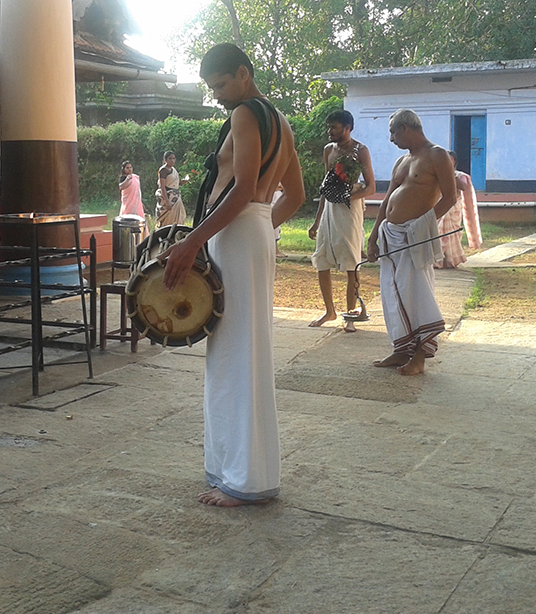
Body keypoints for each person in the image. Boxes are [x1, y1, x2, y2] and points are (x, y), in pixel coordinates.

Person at [160, 43, 305, 507]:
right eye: (212, 88)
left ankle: (244, 480)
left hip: (238, 230)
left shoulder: (246, 113)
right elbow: (295, 196)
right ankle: (237, 471)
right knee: (240, 352)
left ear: (243, 74)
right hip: (252, 232)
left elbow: (241, 188)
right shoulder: (281, 121)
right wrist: (260, 226)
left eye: (221, 85)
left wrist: (192, 240)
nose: (218, 95)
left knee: (237, 355)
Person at [366, 109, 457, 376]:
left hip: (414, 237)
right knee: (392, 294)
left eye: (394, 132)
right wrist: (372, 237)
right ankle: (401, 349)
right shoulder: (401, 161)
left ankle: (419, 356)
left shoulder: (437, 155)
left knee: (417, 293)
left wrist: (423, 225)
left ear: (406, 128)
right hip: (390, 235)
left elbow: (450, 197)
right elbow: (387, 200)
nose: (392, 138)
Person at [308, 109, 375, 332]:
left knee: (351, 263)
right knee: (322, 261)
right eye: (329, 127)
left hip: (350, 209)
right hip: (329, 210)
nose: (330, 132)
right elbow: (326, 187)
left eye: (334, 127)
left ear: (347, 128)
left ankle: (350, 315)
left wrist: (347, 195)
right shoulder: (328, 150)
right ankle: (329, 311)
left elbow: (371, 187)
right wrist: (316, 221)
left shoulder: (360, 151)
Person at [435, 151, 482, 268]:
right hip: (439, 206)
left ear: (454, 162)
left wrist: (451, 174)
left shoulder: (460, 175)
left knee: (450, 234)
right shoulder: (436, 174)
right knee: (437, 232)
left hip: (453, 208)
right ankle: (438, 261)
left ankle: (450, 260)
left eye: (449, 160)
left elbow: (463, 187)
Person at [155, 150, 188, 227]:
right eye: (170, 158)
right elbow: (162, 186)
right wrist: (167, 201)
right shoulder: (163, 170)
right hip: (168, 198)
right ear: (165, 160)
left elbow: (173, 184)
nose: (172, 160)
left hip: (176, 198)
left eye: (174, 158)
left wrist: (181, 182)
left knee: (178, 221)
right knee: (167, 223)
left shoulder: (173, 170)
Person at [117, 160, 149, 238]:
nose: (129, 169)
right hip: (128, 205)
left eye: (130, 167)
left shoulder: (135, 178)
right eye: (127, 168)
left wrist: (141, 204)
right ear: (123, 169)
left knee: (140, 223)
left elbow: (138, 193)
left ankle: (141, 238)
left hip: (137, 205)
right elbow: (121, 187)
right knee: (128, 222)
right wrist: (127, 179)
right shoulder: (123, 178)